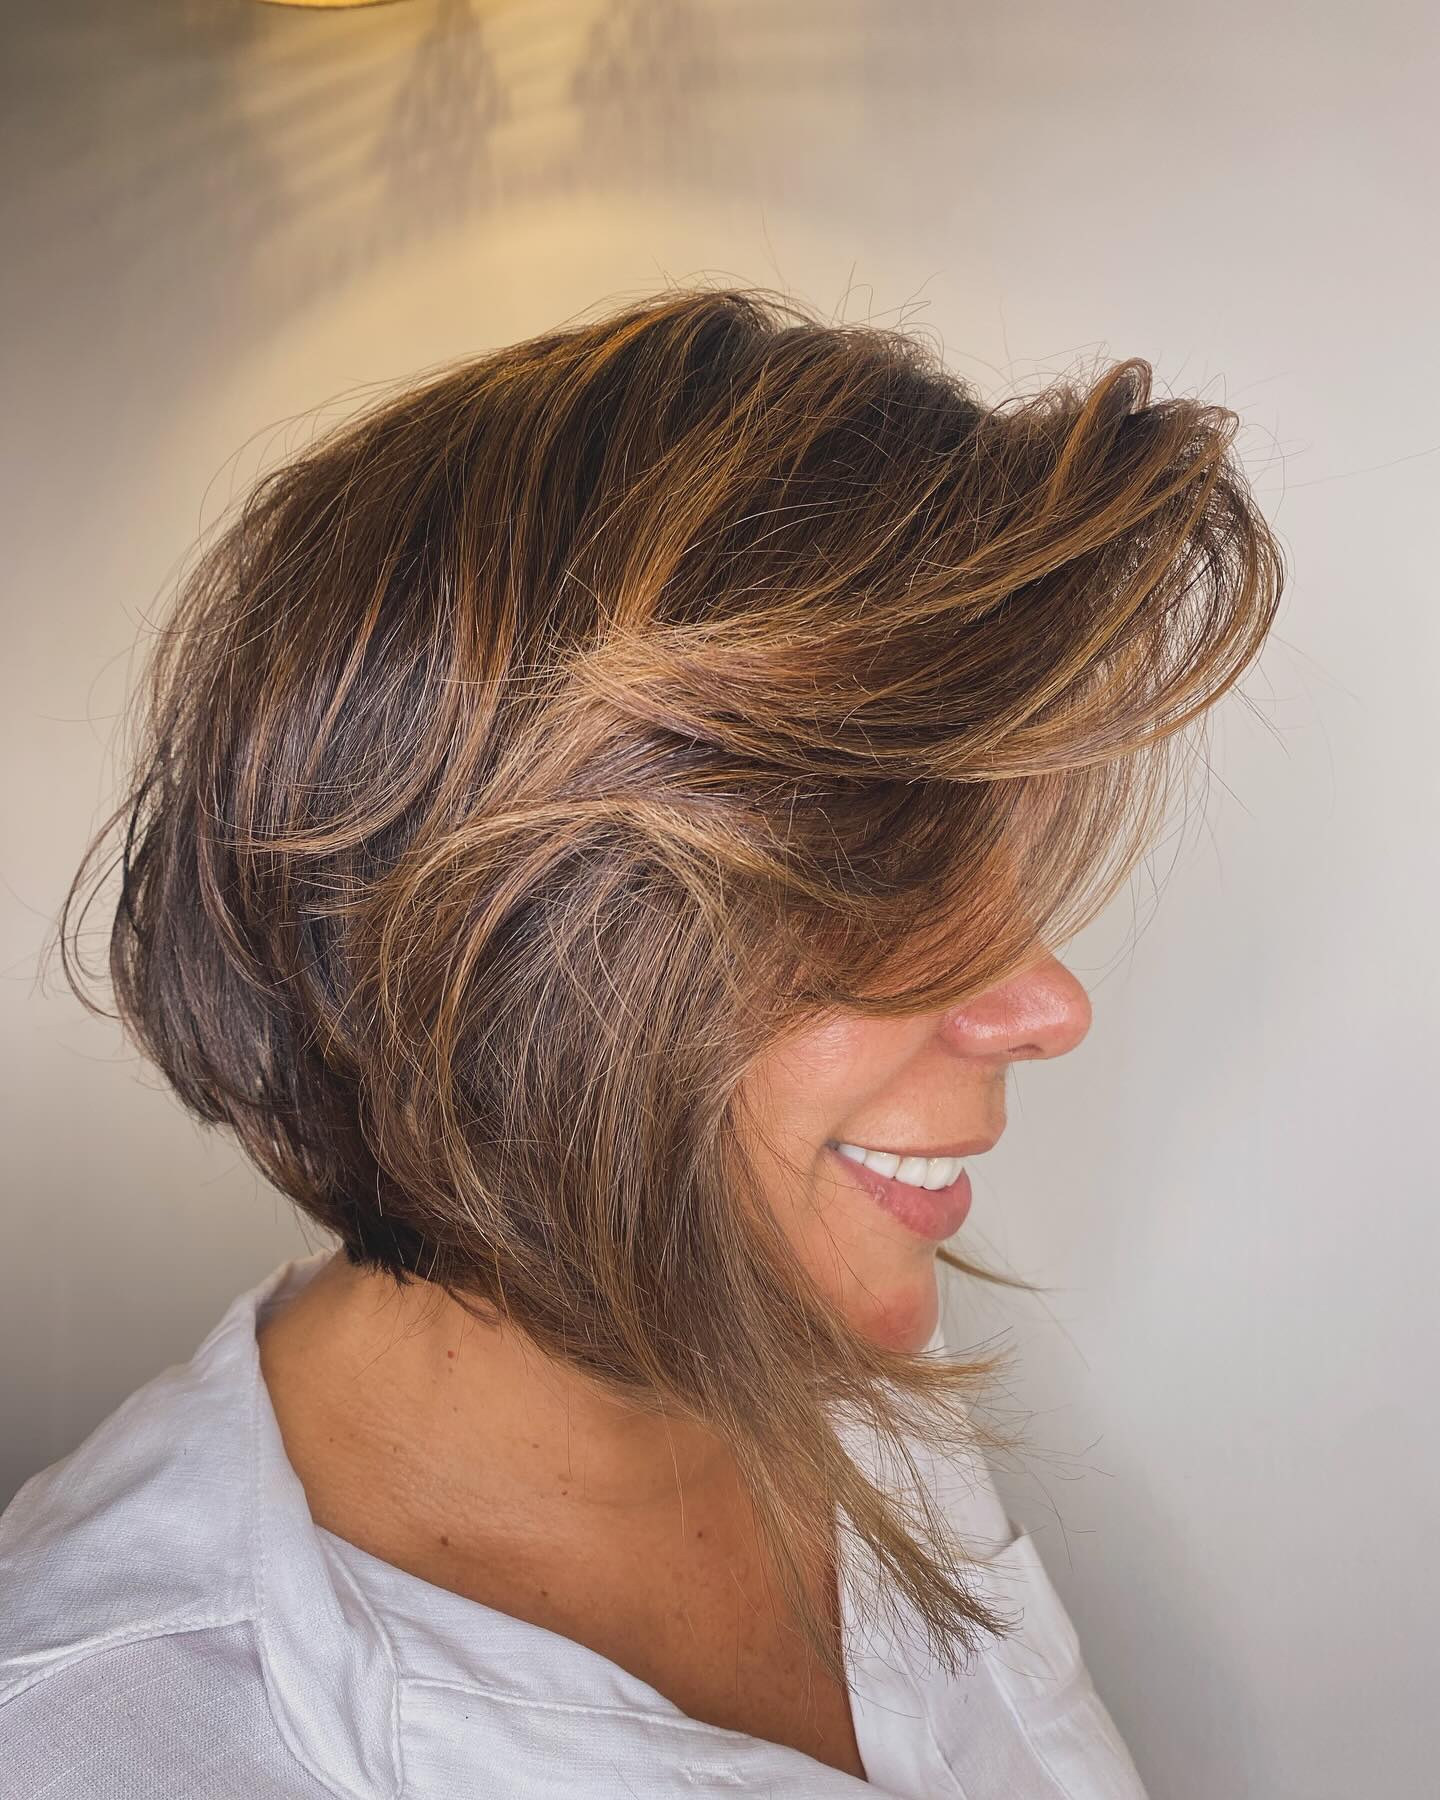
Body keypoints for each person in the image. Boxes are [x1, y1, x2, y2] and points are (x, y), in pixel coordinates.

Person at [0, 285, 1284, 1798]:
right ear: (500, 955)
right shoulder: (110, 1730)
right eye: (886, 883)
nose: (1051, 1007)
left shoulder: (813, 1321)